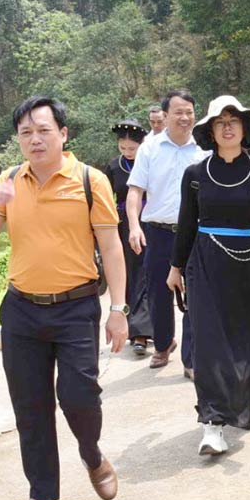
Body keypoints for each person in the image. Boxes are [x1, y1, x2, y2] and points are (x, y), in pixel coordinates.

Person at [0, 95, 129, 500]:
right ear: (18, 140)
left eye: (43, 130)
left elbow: (111, 247)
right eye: (25, 133)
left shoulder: (89, 180)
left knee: (80, 396)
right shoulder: (8, 181)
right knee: (30, 408)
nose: (34, 139)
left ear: (63, 133)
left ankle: (92, 455)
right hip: (21, 309)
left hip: (75, 308)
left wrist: (117, 309)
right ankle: (43, 497)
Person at [168, 96, 250, 455]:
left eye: (234, 120)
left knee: (248, 339)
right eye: (221, 122)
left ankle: (239, 400)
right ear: (212, 131)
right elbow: (187, 225)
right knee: (209, 345)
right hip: (205, 265)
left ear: (245, 128)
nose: (228, 127)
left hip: (249, 265)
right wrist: (175, 268)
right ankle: (213, 423)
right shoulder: (196, 175)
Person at [126, 89, 208, 377]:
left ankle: (192, 357)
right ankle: (163, 344)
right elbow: (135, 190)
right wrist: (134, 226)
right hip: (158, 233)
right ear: (165, 115)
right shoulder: (149, 148)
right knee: (158, 294)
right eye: (178, 112)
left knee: (196, 294)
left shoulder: (203, 149)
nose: (184, 117)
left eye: (189, 111)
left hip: (196, 234)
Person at [104, 120, 152, 354]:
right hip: (123, 225)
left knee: (147, 272)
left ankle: (145, 329)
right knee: (131, 274)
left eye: (132, 148)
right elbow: (105, 199)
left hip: (150, 221)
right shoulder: (113, 167)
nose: (127, 152)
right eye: (123, 148)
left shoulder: (149, 163)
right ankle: (136, 328)